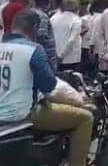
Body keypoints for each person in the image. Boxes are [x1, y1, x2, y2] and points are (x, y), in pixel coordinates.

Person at [0, 10, 93, 166]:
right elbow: (48, 85)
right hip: (24, 114)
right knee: (86, 118)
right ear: (34, 28)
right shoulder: (33, 49)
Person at [51, 0, 83, 72]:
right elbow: (72, 40)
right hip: (71, 58)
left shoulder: (53, 18)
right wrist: (61, 55)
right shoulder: (76, 20)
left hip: (54, 56)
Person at [32, 0, 58, 72]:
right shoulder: (43, 16)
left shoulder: (31, 12)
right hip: (46, 56)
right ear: (45, 1)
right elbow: (41, 36)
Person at [78, 0, 94, 73]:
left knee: (83, 64)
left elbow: (81, 31)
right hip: (90, 44)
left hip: (83, 44)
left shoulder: (82, 19)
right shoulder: (93, 18)